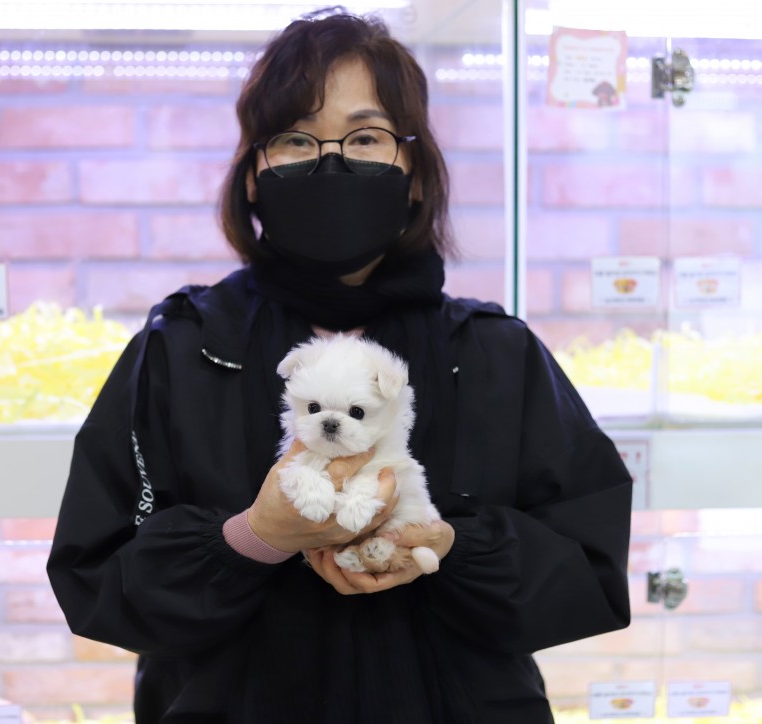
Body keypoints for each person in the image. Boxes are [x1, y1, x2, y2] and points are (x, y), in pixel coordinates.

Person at [47, 8, 632, 724]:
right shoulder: (183, 345)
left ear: (413, 172)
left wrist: (450, 547)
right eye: (296, 138)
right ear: (253, 175)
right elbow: (97, 578)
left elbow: (588, 570)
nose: (330, 164)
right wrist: (252, 538)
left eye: (364, 137)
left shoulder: (494, 352)